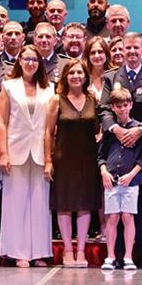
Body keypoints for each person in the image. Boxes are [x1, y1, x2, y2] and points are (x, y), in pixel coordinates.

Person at [0, 45, 55, 267]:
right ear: (19, 61)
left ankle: (38, 252)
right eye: (26, 59)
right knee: (15, 201)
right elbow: (1, 122)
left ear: (40, 63)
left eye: (34, 59)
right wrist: (3, 152)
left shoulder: (49, 89)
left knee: (40, 203)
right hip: (15, 150)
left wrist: (50, 157)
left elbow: (51, 126)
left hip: (40, 151)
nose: (30, 63)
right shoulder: (9, 86)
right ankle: (18, 251)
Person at [45, 59, 103, 268]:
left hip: (88, 159)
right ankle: (68, 250)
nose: (76, 76)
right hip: (63, 159)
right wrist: (48, 161)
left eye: (80, 73)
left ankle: (81, 251)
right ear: (65, 77)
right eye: (72, 73)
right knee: (64, 205)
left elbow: (99, 127)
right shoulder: (56, 100)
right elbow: (48, 132)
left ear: (85, 77)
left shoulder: (92, 99)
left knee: (85, 205)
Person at [98, 88, 142, 270]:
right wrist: (104, 171)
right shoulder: (110, 130)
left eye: (125, 105)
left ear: (131, 105)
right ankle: (110, 256)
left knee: (127, 217)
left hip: (131, 181)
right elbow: (101, 155)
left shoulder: (138, 129)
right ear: (112, 107)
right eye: (118, 106)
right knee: (111, 218)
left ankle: (128, 256)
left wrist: (131, 175)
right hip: (111, 181)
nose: (122, 109)